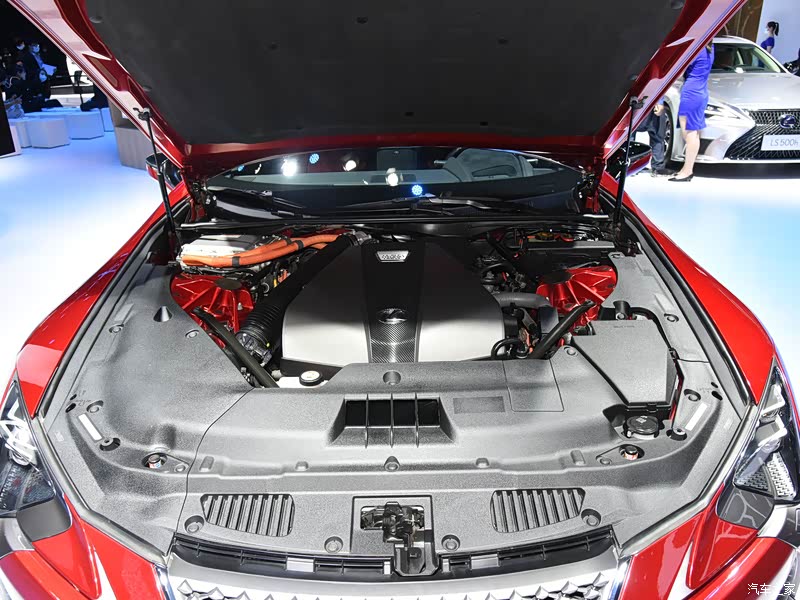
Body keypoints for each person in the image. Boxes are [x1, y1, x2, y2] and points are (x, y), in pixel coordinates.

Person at [671, 43, 714, 183]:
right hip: (701, 91)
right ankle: (686, 169)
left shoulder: (696, 50)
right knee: (694, 133)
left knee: (689, 134)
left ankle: (687, 170)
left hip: (691, 93)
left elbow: (679, 72)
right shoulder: (710, 48)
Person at [636, 98, 671, 176]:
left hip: (646, 101)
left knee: (657, 136)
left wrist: (659, 102)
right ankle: (631, 164)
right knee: (657, 136)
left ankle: (657, 167)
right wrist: (659, 102)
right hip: (641, 101)